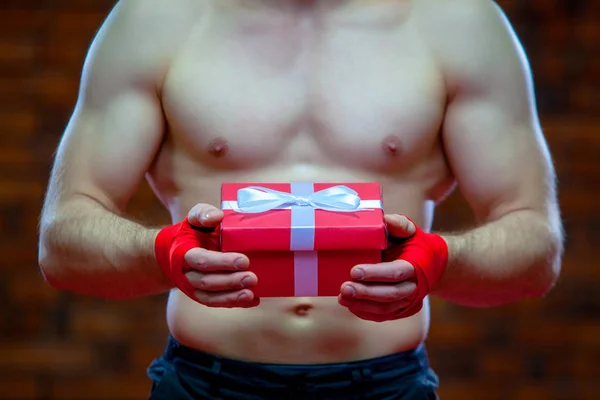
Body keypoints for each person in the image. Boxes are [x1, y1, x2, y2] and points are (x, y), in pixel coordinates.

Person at [38, 0, 564, 399]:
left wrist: (441, 261)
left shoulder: (456, 21)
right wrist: (162, 253)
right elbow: (62, 240)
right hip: (206, 383)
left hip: (383, 384)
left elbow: (536, 245)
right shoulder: (158, 18)